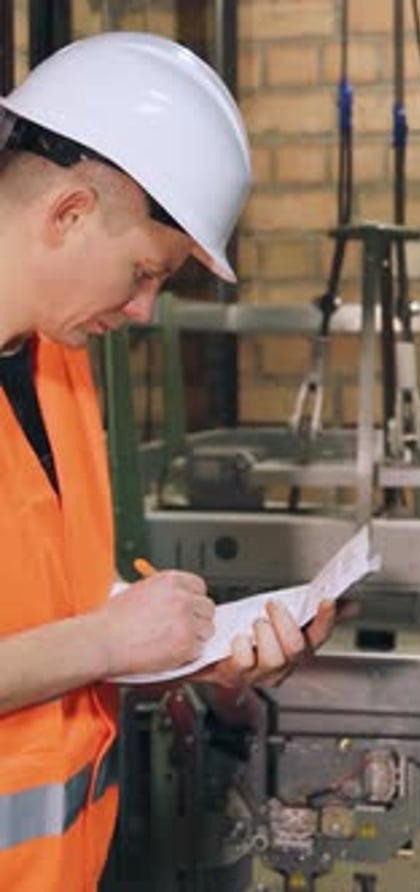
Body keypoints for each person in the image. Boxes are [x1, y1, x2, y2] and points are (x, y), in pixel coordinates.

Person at [0, 31, 336, 891]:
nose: (145, 311)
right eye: (145, 272)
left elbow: (50, 595)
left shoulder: (57, 362)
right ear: (69, 213)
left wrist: (188, 649)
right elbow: (81, 634)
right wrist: (106, 637)